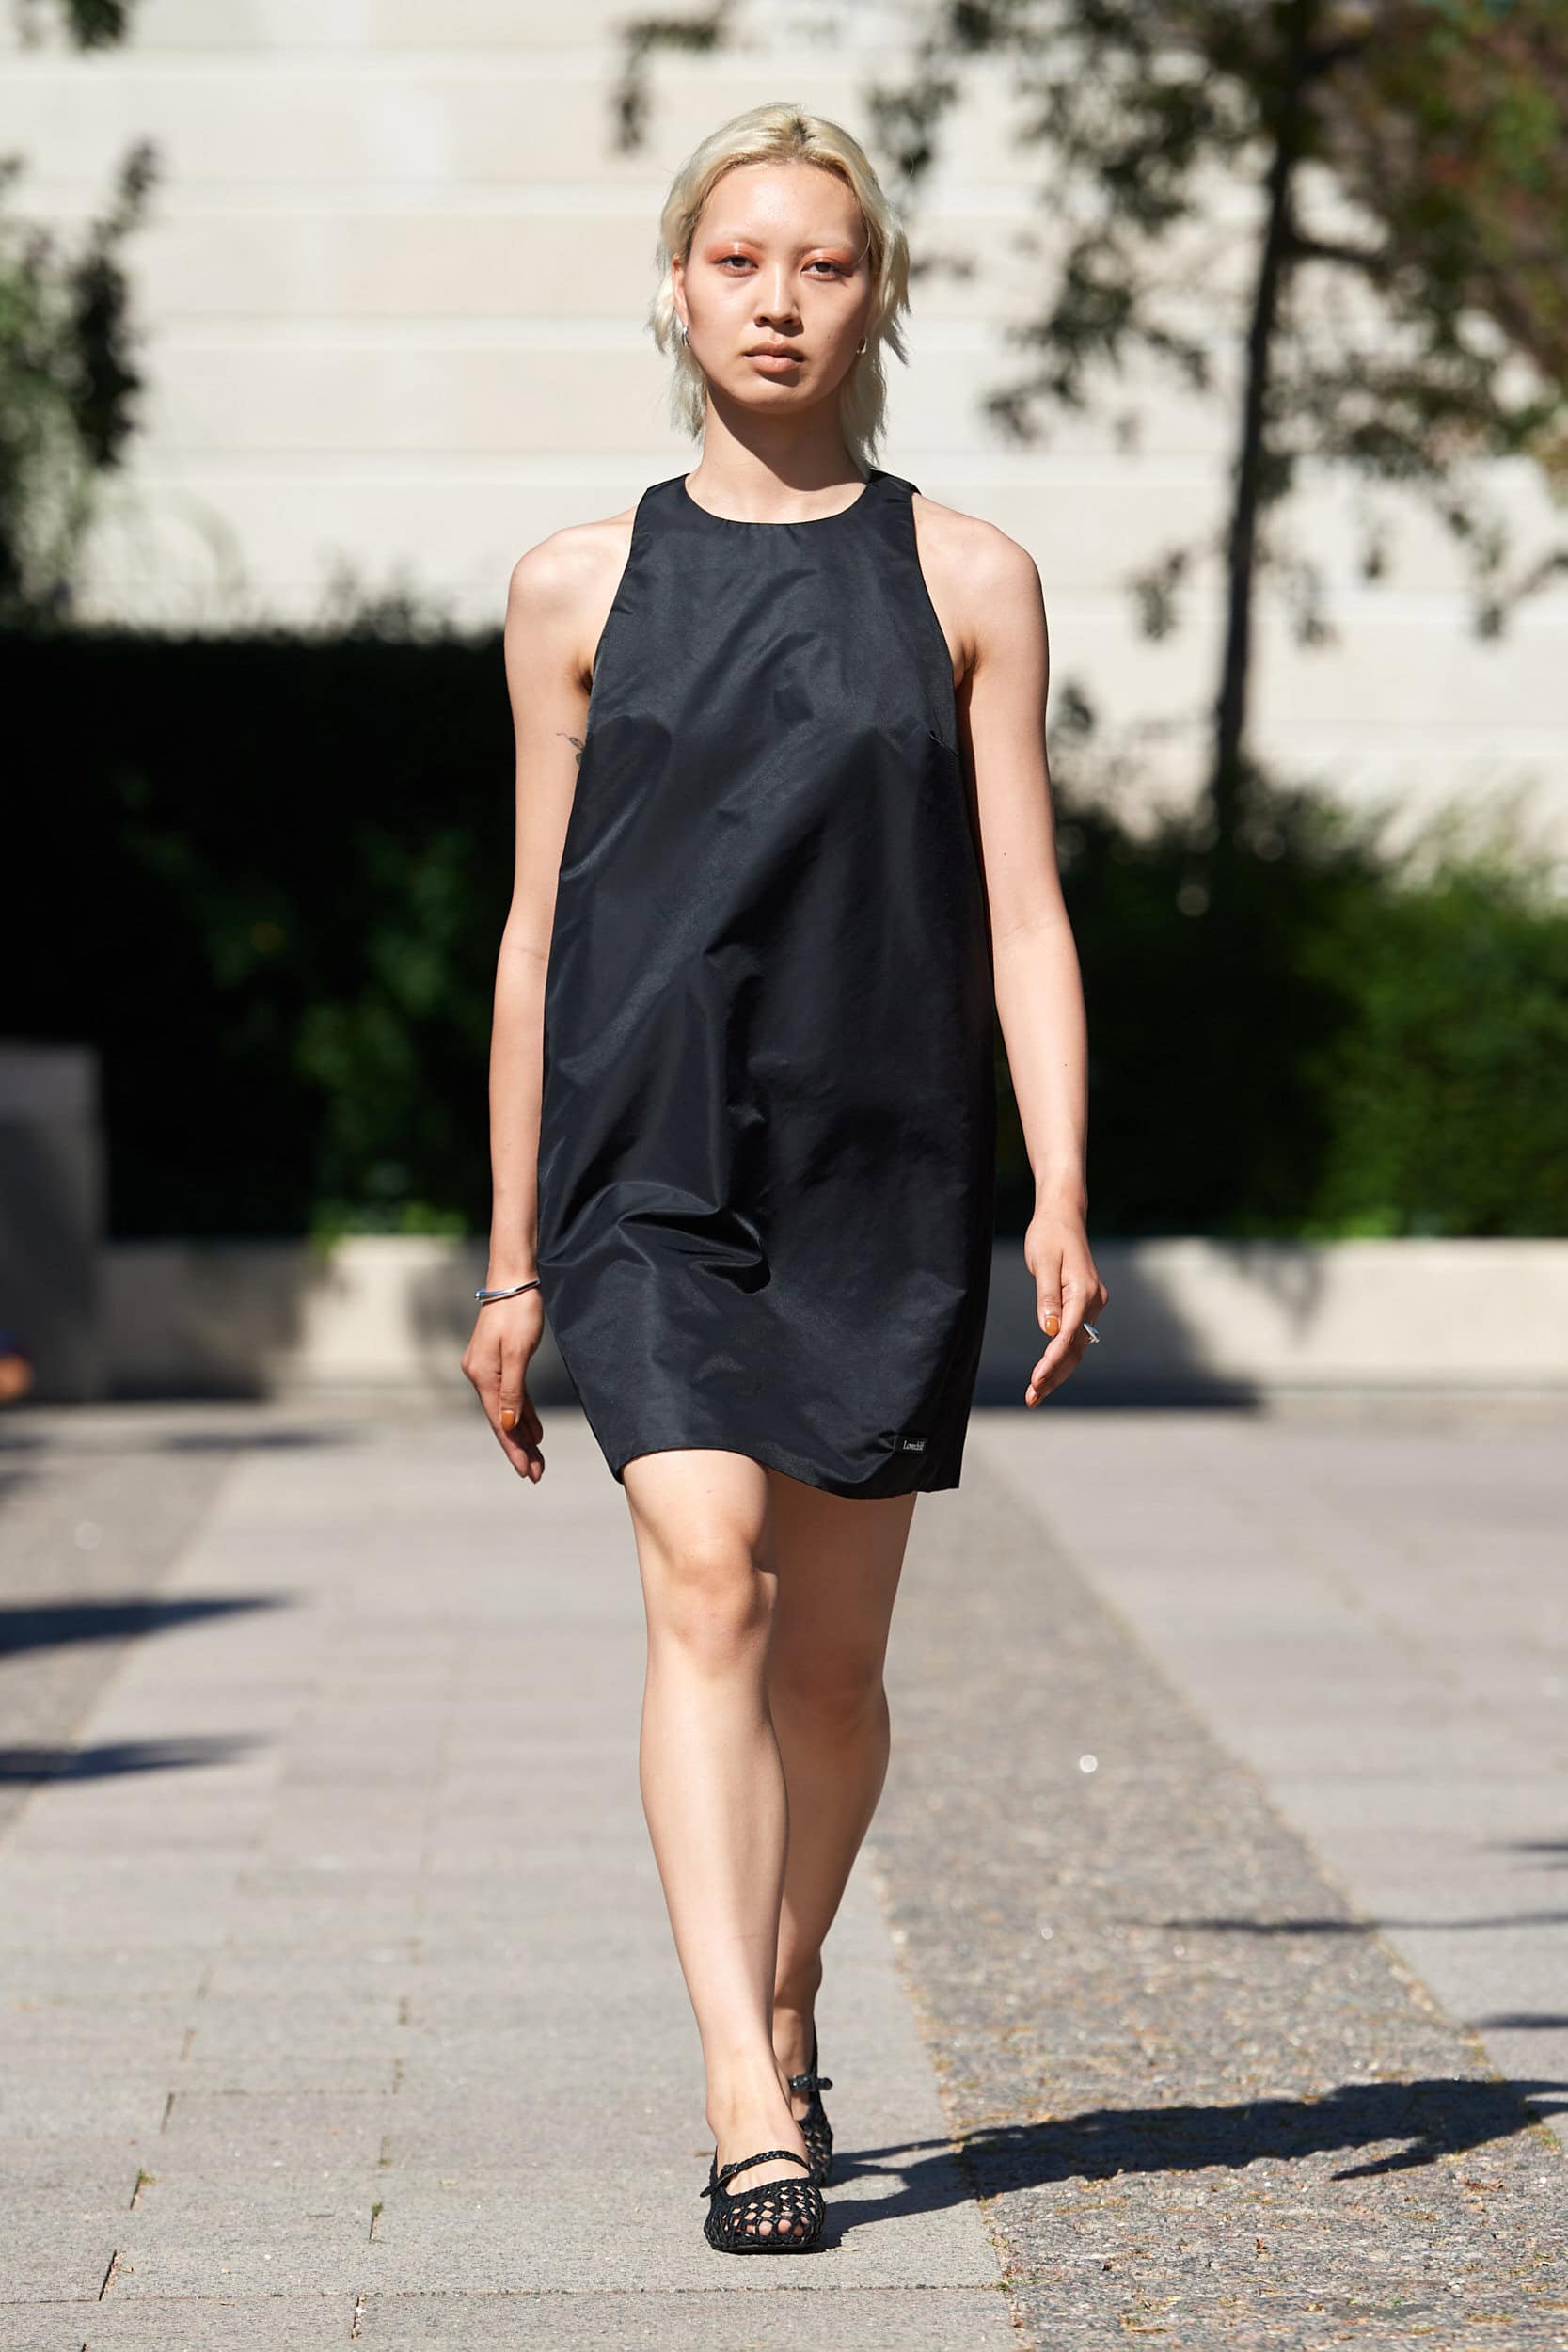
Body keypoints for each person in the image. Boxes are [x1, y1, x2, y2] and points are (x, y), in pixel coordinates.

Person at [461, 100, 1106, 2255]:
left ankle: (792, 1979)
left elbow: (1025, 911)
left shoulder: (969, 578)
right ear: (676, 286)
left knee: (829, 1666)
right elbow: (535, 936)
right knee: (707, 1581)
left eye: (822, 264)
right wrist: (508, 1261)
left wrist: (1060, 1186)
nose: (776, 299)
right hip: (647, 1169)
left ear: (876, 295)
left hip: (880, 1168)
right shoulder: (575, 586)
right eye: (738, 259)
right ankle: (746, 2088)